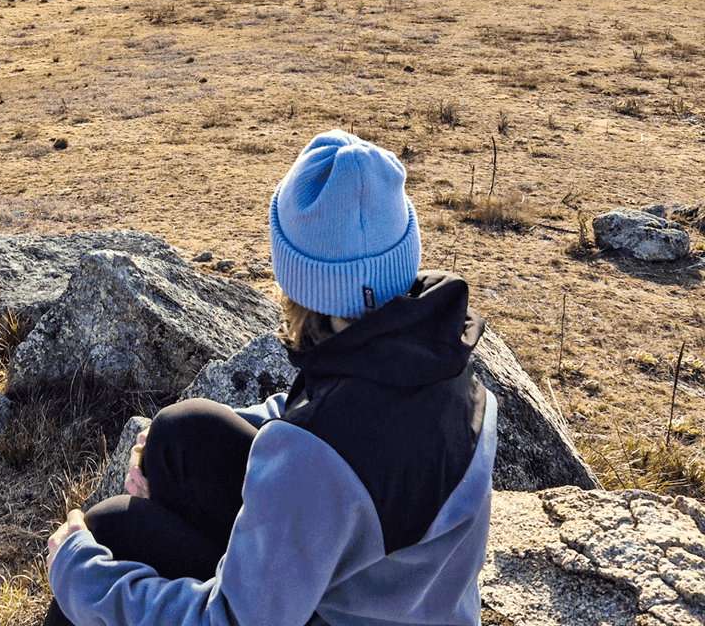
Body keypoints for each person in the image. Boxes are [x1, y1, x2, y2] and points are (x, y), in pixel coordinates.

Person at [44, 129, 497, 626]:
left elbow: (230, 623)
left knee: (110, 532)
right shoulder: (447, 366)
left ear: (299, 278)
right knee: (180, 431)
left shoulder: (317, 457)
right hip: (401, 601)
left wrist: (77, 571)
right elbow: (339, 423)